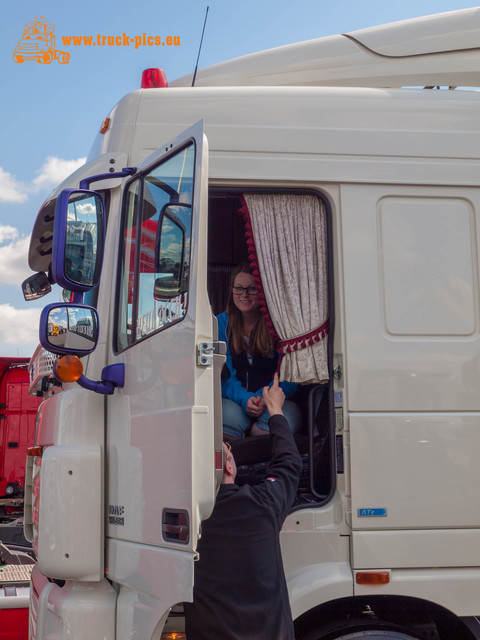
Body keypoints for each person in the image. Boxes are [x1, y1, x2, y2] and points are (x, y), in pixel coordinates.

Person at [184, 374, 303, 640]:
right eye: (230, 449)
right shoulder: (262, 504)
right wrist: (275, 409)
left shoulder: (187, 523)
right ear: (229, 466)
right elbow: (289, 464)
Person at [218, 263, 301, 440]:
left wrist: (264, 398)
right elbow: (222, 374)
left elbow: (291, 373)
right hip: (236, 400)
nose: (244, 295)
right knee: (225, 425)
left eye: (252, 289)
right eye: (238, 288)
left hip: (277, 398)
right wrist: (245, 398)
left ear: (263, 292)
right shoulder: (221, 323)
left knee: (271, 432)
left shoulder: (280, 325)